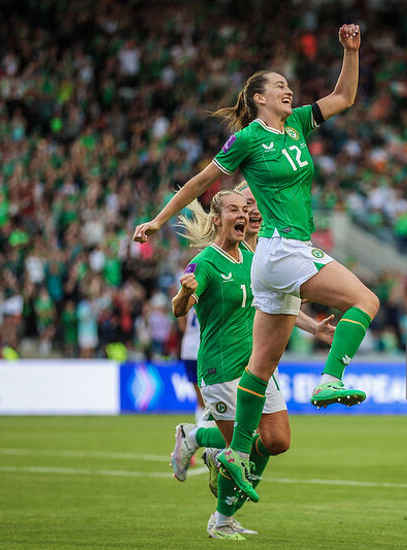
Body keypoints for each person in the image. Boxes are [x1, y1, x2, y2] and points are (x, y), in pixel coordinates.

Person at [134, 24, 379, 502]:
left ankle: (236, 452)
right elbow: (199, 182)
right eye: (279, 86)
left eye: (289, 85)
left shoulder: (299, 125)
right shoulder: (248, 139)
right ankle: (331, 378)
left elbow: (344, 96)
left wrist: (351, 51)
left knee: (261, 365)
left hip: (269, 259)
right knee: (365, 300)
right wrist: (159, 220)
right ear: (259, 98)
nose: (289, 90)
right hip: (283, 246)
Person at [169, 190, 334, 539]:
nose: (244, 215)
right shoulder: (206, 263)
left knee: (277, 441)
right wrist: (184, 292)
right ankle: (222, 519)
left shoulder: (253, 257)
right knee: (241, 447)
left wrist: (314, 327)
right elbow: (179, 310)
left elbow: (277, 302)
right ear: (217, 219)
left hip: (257, 368)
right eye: (235, 210)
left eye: (245, 209)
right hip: (222, 369)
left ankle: (195, 434)